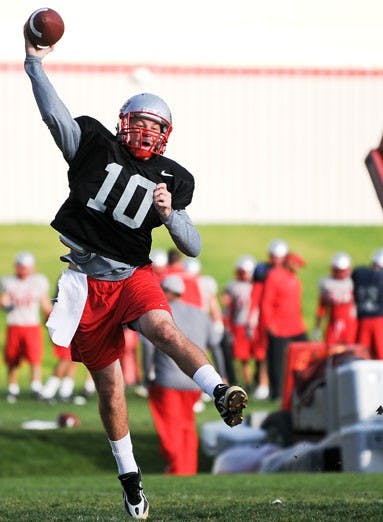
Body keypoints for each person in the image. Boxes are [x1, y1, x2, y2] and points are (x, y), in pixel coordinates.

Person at [24, 29, 247, 520]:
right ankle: (130, 479)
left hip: (133, 275)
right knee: (111, 386)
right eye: (139, 123)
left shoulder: (172, 179)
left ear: (166, 134)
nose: (145, 132)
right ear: (123, 124)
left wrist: (171, 214)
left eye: (155, 126)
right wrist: (33, 63)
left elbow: (193, 247)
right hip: (84, 282)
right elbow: (53, 114)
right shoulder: (94, 145)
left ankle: (219, 391)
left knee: (166, 330)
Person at [147, 275, 226, 475]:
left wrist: (146, 373)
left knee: (170, 428)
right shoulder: (201, 314)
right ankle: (188, 469)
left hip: (168, 381)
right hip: (195, 382)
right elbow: (216, 346)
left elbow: (147, 347)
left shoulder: (161, 313)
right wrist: (220, 376)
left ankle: (178, 469)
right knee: (187, 426)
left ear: (166, 291)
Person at [0, 252, 52, 402]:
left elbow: (45, 304)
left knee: (34, 358)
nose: (23, 270)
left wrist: (49, 319)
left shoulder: (38, 282)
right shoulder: (9, 282)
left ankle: (35, 386)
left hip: (31, 325)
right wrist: (4, 303)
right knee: (12, 358)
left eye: (26, 267)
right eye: (21, 267)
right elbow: (3, 300)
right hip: (14, 324)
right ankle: (12, 388)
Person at [261, 252, 308, 400]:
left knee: (304, 355)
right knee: (277, 361)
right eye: (296, 265)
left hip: (296, 325)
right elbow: (266, 301)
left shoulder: (294, 278)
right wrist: (268, 323)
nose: (297, 268)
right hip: (279, 326)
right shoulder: (274, 276)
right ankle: (277, 393)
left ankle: (301, 387)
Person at [247, 238, 288, 399]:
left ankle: (278, 385)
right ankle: (264, 383)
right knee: (262, 352)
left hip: (281, 320)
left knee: (280, 354)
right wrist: (253, 317)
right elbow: (256, 297)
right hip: (265, 319)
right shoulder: (262, 272)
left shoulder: (287, 272)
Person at [221, 255, 257, 391]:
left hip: (255, 324)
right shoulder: (234, 286)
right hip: (240, 325)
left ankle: (259, 382)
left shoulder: (257, 285)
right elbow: (226, 304)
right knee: (243, 357)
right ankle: (247, 383)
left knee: (260, 357)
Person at [313, 252, 357, 345]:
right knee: (330, 352)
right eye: (337, 271)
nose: (340, 274)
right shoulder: (327, 284)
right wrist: (317, 328)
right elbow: (321, 308)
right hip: (333, 325)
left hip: (350, 326)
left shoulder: (354, 283)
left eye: (342, 271)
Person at [352, 248, 383, 359]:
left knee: (361, 354)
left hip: (362, 320)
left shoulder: (359, 273)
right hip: (379, 320)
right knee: (379, 353)